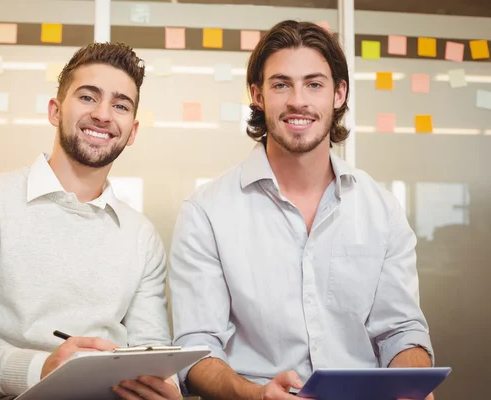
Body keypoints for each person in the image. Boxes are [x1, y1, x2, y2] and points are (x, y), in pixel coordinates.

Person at [168, 20, 435, 400]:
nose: (298, 100)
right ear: (257, 96)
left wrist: (410, 384)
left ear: (339, 93)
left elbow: (401, 331)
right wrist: (256, 395)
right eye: (281, 84)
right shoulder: (205, 212)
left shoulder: (382, 209)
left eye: (314, 84)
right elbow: (196, 350)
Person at [0, 42, 181, 400]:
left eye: (120, 105)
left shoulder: (140, 236)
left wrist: (165, 387)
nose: (103, 115)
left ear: (131, 131)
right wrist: (41, 369)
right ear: (55, 111)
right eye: (88, 97)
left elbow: (151, 346)